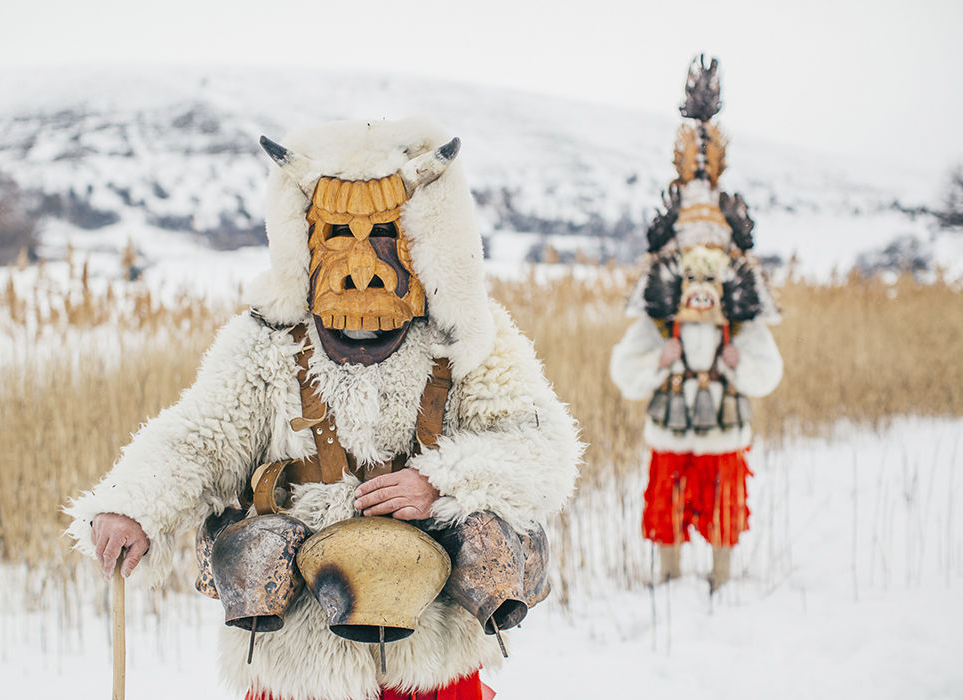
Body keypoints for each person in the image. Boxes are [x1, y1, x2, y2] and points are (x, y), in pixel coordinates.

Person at [65, 117, 582, 700]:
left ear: (421, 236)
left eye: (384, 232)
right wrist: (133, 506)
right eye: (338, 233)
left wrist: (444, 482)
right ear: (306, 238)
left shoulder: (470, 341)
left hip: (428, 651)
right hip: (297, 650)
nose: (362, 266)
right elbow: (199, 437)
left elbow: (542, 446)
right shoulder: (266, 343)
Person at [610, 57, 782, 591]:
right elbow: (625, 366)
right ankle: (667, 578)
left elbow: (767, 366)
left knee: (726, 500)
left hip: (724, 427)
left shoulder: (739, 305)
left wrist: (740, 363)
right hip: (672, 423)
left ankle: (721, 580)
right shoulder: (660, 311)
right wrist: (657, 361)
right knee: (668, 500)